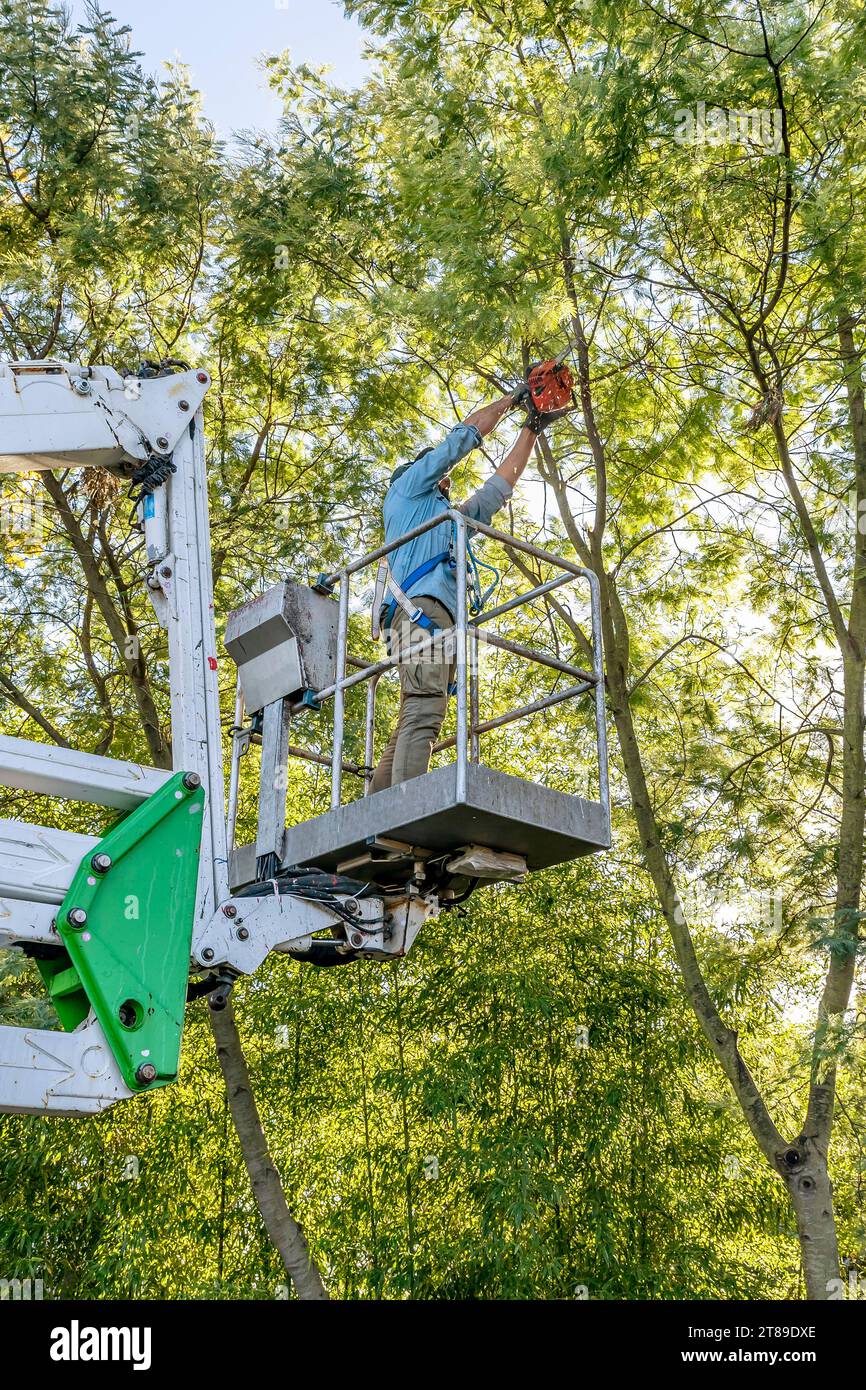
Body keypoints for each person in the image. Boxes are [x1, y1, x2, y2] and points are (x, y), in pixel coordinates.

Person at [370, 389, 553, 792]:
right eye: (435, 473)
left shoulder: (447, 520)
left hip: (432, 620)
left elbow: (496, 491)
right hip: (422, 613)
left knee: (416, 709)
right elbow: (459, 442)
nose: (444, 479)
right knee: (424, 709)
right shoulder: (406, 491)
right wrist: (512, 399)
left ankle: (377, 807)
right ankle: (406, 811)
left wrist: (532, 428)